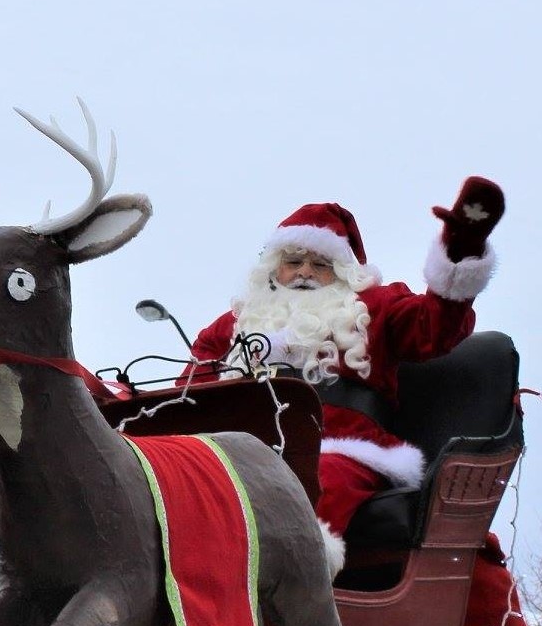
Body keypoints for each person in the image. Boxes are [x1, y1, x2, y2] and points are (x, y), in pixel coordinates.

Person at [182, 177, 504, 545]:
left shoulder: (375, 307)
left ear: (343, 273)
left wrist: (459, 251)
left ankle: (296, 577)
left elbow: (435, 326)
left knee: (315, 480)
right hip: (246, 451)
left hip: (342, 447)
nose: (304, 271)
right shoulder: (236, 323)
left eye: (320, 263)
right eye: (294, 261)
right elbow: (189, 390)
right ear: (274, 268)